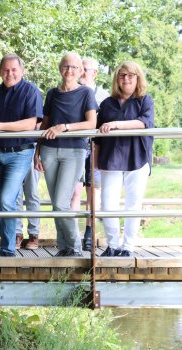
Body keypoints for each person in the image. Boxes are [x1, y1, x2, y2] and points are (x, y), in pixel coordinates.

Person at [34, 52, 98, 257]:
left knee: (62, 202)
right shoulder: (53, 93)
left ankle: (75, 247)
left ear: (80, 70)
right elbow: (45, 123)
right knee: (56, 203)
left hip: (74, 151)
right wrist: (37, 150)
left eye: (74, 67)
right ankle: (64, 247)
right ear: (60, 68)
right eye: (65, 66)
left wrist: (65, 127)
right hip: (49, 150)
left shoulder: (86, 93)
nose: (69, 70)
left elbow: (91, 124)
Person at [0, 54, 43, 257]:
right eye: (6, 70)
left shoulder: (31, 91)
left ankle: (8, 249)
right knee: (0, 201)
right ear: (0, 72)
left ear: (22, 70)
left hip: (21, 153)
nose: (10, 73)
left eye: (14, 70)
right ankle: (6, 244)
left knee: (7, 199)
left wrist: (1, 128)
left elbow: (30, 124)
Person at [94, 61, 154, 257]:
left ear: (138, 78)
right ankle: (112, 245)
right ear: (116, 79)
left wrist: (116, 124)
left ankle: (127, 246)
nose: (126, 79)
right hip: (110, 159)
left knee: (132, 205)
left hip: (137, 158)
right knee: (107, 205)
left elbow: (144, 123)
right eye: (122, 75)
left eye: (130, 75)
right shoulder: (107, 103)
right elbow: (97, 137)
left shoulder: (144, 100)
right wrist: (94, 163)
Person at [78, 57, 110, 251]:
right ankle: (71, 234)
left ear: (95, 73)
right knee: (73, 191)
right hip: (74, 148)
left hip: (95, 149)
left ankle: (89, 233)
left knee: (93, 191)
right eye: (80, 68)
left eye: (86, 69)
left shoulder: (104, 96)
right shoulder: (70, 91)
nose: (82, 72)